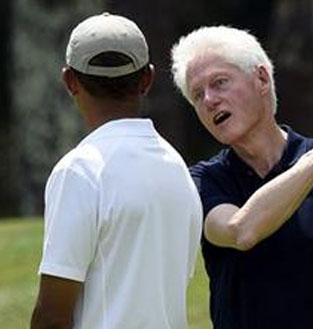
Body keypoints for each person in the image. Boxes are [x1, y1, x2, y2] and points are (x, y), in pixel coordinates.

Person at [171, 26, 313, 329]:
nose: (209, 100)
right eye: (197, 95)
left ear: (262, 79)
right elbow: (242, 230)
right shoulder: (203, 181)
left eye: (220, 83)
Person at [30, 13, 202, 329]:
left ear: (69, 80)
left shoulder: (79, 171)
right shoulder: (178, 169)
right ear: (147, 79)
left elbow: (52, 316)